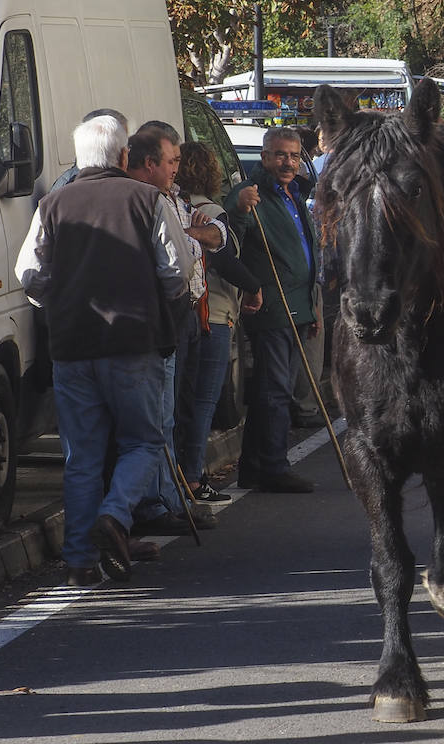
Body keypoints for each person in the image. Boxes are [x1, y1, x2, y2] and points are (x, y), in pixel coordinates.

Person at [13, 115, 189, 585]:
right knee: (144, 440)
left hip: (72, 347)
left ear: (78, 157)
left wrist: (63, 299)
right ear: (124, 156)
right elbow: (177, 271)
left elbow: (28, 273)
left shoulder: (53, 203)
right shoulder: (148, 198)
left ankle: (78, 561)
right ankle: (114, 515)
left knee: (82, 456)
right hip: (133, 343)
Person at [124, 124, 220, 536]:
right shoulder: (144, 199)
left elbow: (215, 237)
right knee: (153, 420)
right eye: (171, 161)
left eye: (179, 161)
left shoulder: (172, 197)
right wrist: (191, 241)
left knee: (170, 412)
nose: (176, 170)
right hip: (156, 318)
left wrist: (194, 237)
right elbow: (176, 259)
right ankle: (150, 504)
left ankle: (166, 496)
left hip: (182, 314)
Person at [224, 127, 319, 493]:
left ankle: (253, 467)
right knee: (275, 390)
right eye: (280, 155)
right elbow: (233, 230)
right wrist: (238, 207)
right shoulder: (252, 193)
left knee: (273, 388)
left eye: (294, 156)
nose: (288, 162)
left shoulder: (295, 193)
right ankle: (274, 466)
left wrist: (312, 307)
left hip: (299, 306)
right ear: (264, 157)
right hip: (273, 306)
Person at [175, 141, 264, 503]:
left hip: (190, 313)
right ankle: (192, 476)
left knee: (184, 399)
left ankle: (182, 474)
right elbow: (226, 259)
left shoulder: (177, 207)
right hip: (213, 313)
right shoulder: (210, 211)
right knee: (203, 400)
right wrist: (255, 287)